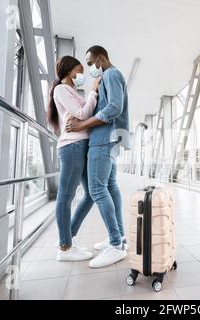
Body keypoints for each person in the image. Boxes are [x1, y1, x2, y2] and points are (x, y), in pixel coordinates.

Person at [66, 45, 130, 268]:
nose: (90, 68)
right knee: (110, 187)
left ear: (101, 58)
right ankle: (119, 237)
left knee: (96, 189)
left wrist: (82, 124)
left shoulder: (111, 73)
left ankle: (116, 245)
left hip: (103, 140)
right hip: (110, 140)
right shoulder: (109, 76)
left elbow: (114, 107)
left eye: (91, 63)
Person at [47, 55, 100, 262]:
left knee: (90, 194)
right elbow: (81, 113)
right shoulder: (61, 89)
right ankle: (65, 248)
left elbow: (82, 114)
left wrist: (89, 97)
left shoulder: (70, 90)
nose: (82, 74)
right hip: (72, 146)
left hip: (80, 145)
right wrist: (93, 93)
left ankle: (67, 236)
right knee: (66, 196)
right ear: (70, 70)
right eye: (79, 70)